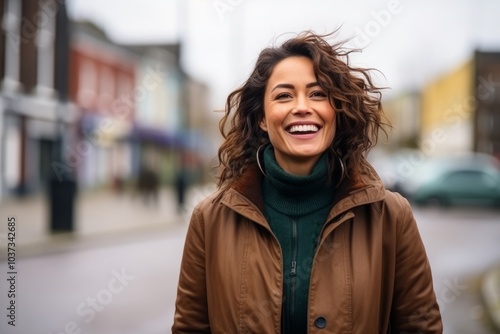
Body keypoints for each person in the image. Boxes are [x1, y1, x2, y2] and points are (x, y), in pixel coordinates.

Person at [172, 31, 442, 333]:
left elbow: (421, 327)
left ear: (336, 110)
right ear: (262, 117)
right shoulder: (209, 220)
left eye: (317, 94)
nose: (302, 107)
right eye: (284, 95)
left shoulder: (391, 218)